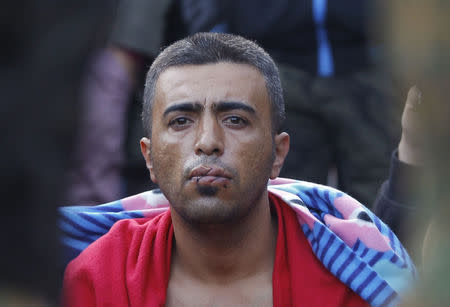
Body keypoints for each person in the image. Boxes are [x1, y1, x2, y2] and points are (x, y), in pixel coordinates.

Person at [62, 33, 415, 306]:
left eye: (235, 119)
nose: (208, 141)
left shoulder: (351, 282)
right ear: (149, 158)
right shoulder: (98, 279)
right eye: (181, 120)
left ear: (278, 154)